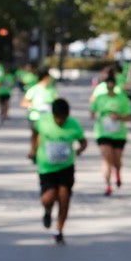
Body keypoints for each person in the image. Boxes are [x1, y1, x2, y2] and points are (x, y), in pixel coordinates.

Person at [29, 97, 87, 245]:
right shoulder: (43, 121)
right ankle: (48, 211)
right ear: (53, 115)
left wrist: (80, 149)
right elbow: (35, 133)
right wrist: (33, 150)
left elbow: (83, 141)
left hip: (66, 167)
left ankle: (59, 230)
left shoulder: (73, 124)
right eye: (58, 118)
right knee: (48, 198)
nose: (61, 121)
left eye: (64, 118)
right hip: (47, 167)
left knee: (64, 197)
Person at [92, 70, 131, 195]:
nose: (110, 86)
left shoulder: (122, 99)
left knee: (117, 160)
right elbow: (92, 111)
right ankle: (108, 185)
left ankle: (118, 173)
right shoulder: (100, 98)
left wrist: (118, 117)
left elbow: (129, 116)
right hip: (103, 133)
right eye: (108, 84)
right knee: (106, 159)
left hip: (119, 133)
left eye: (112, 84)